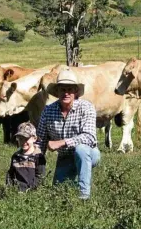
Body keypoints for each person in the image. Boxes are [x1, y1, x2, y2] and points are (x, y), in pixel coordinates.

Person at [37, 68, 100, 200]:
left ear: (76, 92)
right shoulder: (48, 111)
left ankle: (84, 196)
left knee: (81, 149)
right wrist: (32, 159)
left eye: (70, 89)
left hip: (89, 153)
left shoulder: (86, 107)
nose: (66, 93)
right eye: (62, 89)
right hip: (65, 157)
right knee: (58, 194)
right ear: (57, 91)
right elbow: (40, 141)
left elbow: (89, 137)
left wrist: (62, 142)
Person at [5, 122, 46, 192]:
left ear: (34, 138)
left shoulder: (39, 157)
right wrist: (10, 188)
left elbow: (40, 177)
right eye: (20, 139)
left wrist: (31, 190)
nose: (23, 142)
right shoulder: (15, 156)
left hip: (32, 193)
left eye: (26, 139)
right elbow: (11, 174)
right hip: (16, 192)